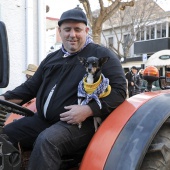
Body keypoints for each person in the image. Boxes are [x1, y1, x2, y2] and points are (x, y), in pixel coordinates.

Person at [0, 8, 127, 170]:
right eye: (67, 29)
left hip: (81, 124)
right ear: (60, 31)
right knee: (5, 135)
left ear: (86, 31)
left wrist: (88, 109)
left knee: (47, 141)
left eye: (77, 29)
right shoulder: (52, 58)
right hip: (44, 121)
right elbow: (29, 88)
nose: (72, 34)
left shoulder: (101, 56)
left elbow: (120, 92)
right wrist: (4, 99)